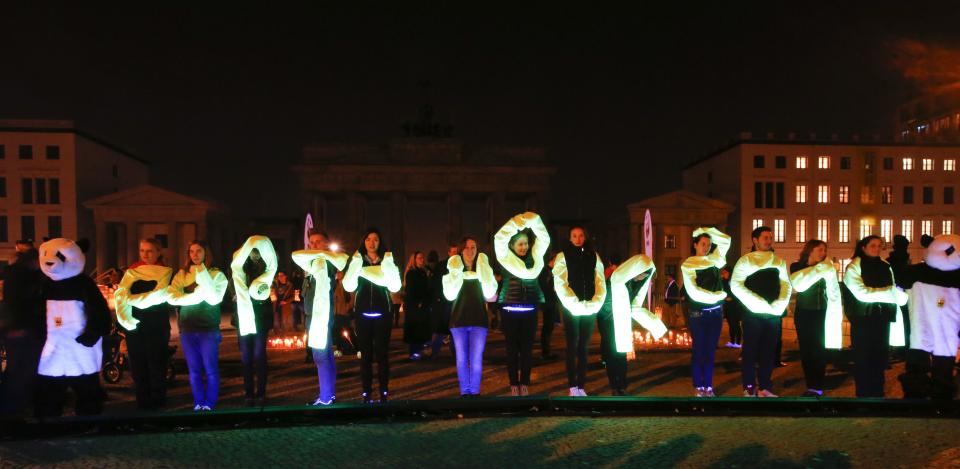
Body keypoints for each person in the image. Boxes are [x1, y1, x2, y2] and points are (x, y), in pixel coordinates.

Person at [841, 235, 907, 397]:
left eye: (879, 245)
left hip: (882, 318)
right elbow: (861, 293)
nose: (877, 248)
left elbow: (894, 292)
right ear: (863, 247)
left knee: (880, 359)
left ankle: (878, 394)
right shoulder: (854, 266)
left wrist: (893, 295)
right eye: (873, 245)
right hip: (863, 319)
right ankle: (863, 396)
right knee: (863, 359)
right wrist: (889, 293)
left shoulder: (885, 266)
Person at [730, 226, 792, 398]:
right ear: (755, 240)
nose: (768, 240)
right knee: (750, 352)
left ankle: (765, 387)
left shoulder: (778, 261)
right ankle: (749, 387)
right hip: (753, 315)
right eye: (765, 237)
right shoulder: (745, 261)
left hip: (773, 315)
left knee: (768, 352)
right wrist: (758, 303)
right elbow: (735, 285)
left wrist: (780, 303)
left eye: (770, 237)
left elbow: (786, 284)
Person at [342, 227, 402, 403]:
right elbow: (349, 286)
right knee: (366, 355)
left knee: (382, 355)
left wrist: (389, 266)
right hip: (363, 314)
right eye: (368, 239)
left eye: (375, 239)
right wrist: (354, 265)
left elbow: (394, 285)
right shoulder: (359, 261)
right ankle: (366, 392)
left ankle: (384, 390)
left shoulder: (386, 261)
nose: (372, 242)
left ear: (380, 242)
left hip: (383, 313)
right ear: (364, 241)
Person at [494, 212, 550, 396]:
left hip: (530, 307)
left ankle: (524, 382)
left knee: (527, 349)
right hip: (510, 306)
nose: (524, 247)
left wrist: (533, 221)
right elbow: (499, 237)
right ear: (511, 245)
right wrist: (517, 223)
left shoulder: (536, 256)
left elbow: (544, 238)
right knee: (511, 348)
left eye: (526, 243)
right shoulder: (504, 257)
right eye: (520, 244)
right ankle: (513, 384)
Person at [168, 241, 228, 411]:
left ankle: (209, 403)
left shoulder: (216, 274)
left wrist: (201, 275)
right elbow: (172, 295)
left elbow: (215, 297)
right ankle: (198, 402)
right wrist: (193, 297)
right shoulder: (182, 274)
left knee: (210, 369)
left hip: (208, 328)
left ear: (206, 252)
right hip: (187, 328)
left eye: (198, 251)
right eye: (191, 251)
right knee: (194, 371)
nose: (194, 255)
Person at [114, 238, 173, 410]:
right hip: (135, 326)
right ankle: (142, 401)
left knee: (156, 364)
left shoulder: (166, 272)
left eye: (149, 251)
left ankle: (158, 401)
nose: (145, 254)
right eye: (142, 250)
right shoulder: (132, 271)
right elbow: (121, 295)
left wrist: (131, 300)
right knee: (138, 366)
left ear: (158, 252)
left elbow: (160, 295)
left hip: (156, 324)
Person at [292, 229, 349, 406]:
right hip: (313, 315)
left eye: (318, 241)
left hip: (321, 315)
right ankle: (328, 394)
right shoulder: (313, 261)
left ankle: (325, 397)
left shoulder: (326, 261)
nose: (314, 245)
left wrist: (323, 253)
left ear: (326, 243)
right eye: (312, 242)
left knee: (321, 355)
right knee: (325, 355)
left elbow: (341, 260)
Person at [552, 226, 606, 397]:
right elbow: (560, 281)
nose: (578, 238)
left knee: (584, 347)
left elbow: (600, 279)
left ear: (585, 237)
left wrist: (595, 301)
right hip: (571, 308)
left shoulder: (593, 255)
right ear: (570, 238)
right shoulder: (563, 256)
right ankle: (572, 385)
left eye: (581, 235)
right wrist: (573, 303)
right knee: (572, 346)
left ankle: (581, 385)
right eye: (574, 236)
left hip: (589, 307)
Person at [443, 237, 498, 397]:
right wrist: (455, 273)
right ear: (461, 250)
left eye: (473, 247)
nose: (470, 250)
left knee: (476, 359)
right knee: (461, 359)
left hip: (479, 319)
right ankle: (464, 392)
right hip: (458, 319)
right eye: (466, 247)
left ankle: (474, 392)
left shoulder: (482, 269)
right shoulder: (455, 270)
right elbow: (449, 294)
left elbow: (490, 293)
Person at [680, 227, 731, 397]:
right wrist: (719, 295)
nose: (707, 247)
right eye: (703, 244)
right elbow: (694, 291)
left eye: (709, 244)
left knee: (710, 351)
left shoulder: (714, 260)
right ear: (695, 245)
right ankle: (698, 385)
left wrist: (705, 229)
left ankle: (708, 386)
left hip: (715, 313)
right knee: (699, 350)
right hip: (699, 313)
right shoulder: (688, 264)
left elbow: (725, 240)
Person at [789, 240, 843, 398]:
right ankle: (810, 383)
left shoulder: (826, 268)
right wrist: (825, 267)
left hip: (821, 313)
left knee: (818, 350)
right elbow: (797, 284)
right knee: (806, 350)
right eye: (819, 249)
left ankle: (817, 385)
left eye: (824, 250)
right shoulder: (797, 266)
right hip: (803, 313)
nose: (823, 252)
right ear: (810, 250)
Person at [607, 254, 668, 394]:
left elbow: (635, 305)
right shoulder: (617, 280)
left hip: (621, 318)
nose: (642, 277)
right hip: (609, 318)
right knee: (612, 352)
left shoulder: (633, 281)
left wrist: (656, 326)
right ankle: (614, 385)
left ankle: (621, 386)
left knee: (621, 352)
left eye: (645, 275)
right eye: (641, 274)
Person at [230, 235, 278, 407]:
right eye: (252, 251)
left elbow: (270, 290)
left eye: (258, 251)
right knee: (246, 357)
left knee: (259, 355)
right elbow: (232, 288)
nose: (255, 254)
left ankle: (261, 393)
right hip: (243, 316)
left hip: (260, 317)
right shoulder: (239, 267)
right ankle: (249, 393)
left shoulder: (268, 268)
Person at [0, 247, 45, 416]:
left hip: (16, 328)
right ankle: (13, 409)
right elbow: (19, 304)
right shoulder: (24, 277)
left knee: (16, 369)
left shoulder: (14, 276)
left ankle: (13, 407)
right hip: (22, 328)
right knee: (22, 370)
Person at [403, 252, 432, 361]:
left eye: (422, 258)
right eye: (419, 258)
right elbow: (410, 290)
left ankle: (420, 351)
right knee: (414, 329)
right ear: (414, 260)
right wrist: (417, 302)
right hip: (414, 306)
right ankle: (414, 352)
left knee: (422, 329)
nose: (422, 260)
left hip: (423, 305)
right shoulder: (411, 273)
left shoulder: (423, 272)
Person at [721, 268, 742, 348]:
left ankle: (738, 342)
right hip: (727, 306)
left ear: (729, 273)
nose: (723, 273)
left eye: (725, 272)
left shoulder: (733, 281)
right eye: (722, 272)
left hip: (734, 306)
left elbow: (737, 293)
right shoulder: (723, 282)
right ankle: (732, 341)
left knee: (735, 324)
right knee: (730, 324)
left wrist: (732, 298)